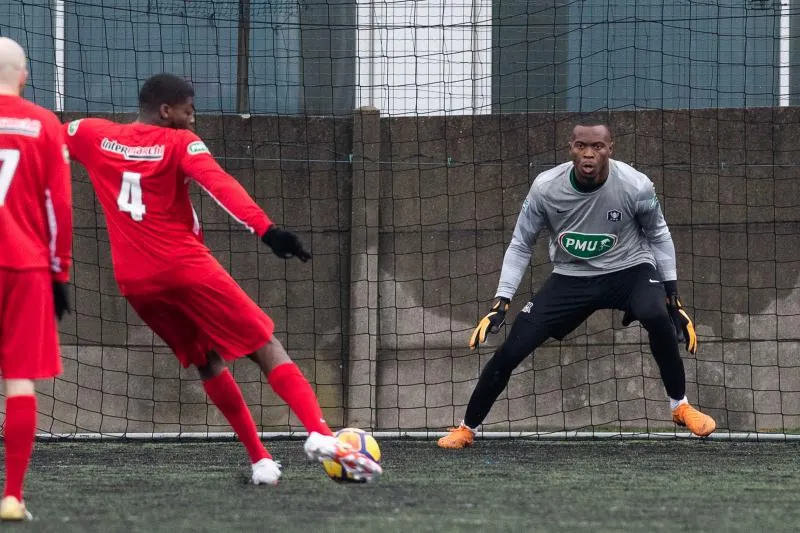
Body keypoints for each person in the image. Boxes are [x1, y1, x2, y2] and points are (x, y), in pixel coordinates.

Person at [64, 73, 381, 483]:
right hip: (184, 266)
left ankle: (261, 462)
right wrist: (268, 231)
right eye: (188, 111)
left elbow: (44, 139)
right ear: (167, 111)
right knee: (266, 344)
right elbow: (219, 184)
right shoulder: (178, 142)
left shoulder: (92, 133)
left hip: (136, 283)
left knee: (205, 360)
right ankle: (319, 434)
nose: (192, 121)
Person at [438, 122, 715, 449]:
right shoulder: (545, 188)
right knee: (512, 348)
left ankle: (679, 406)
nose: (588, 153)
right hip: (572, 276)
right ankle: (466, 428)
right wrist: (501, 302)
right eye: (581, 145)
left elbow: (658, 235)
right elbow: (521, 244)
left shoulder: (635, 186)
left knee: (655, 313)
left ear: (610, 149)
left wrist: (673, 298)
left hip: (629, 269)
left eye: (597, 146)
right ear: (570, 147)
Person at [0, 37, 73, 520]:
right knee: (19, 378)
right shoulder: (45, 124)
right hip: (23, 267)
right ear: (25, 75)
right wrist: (59, 270)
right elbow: (59, 207)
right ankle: (12, 497)